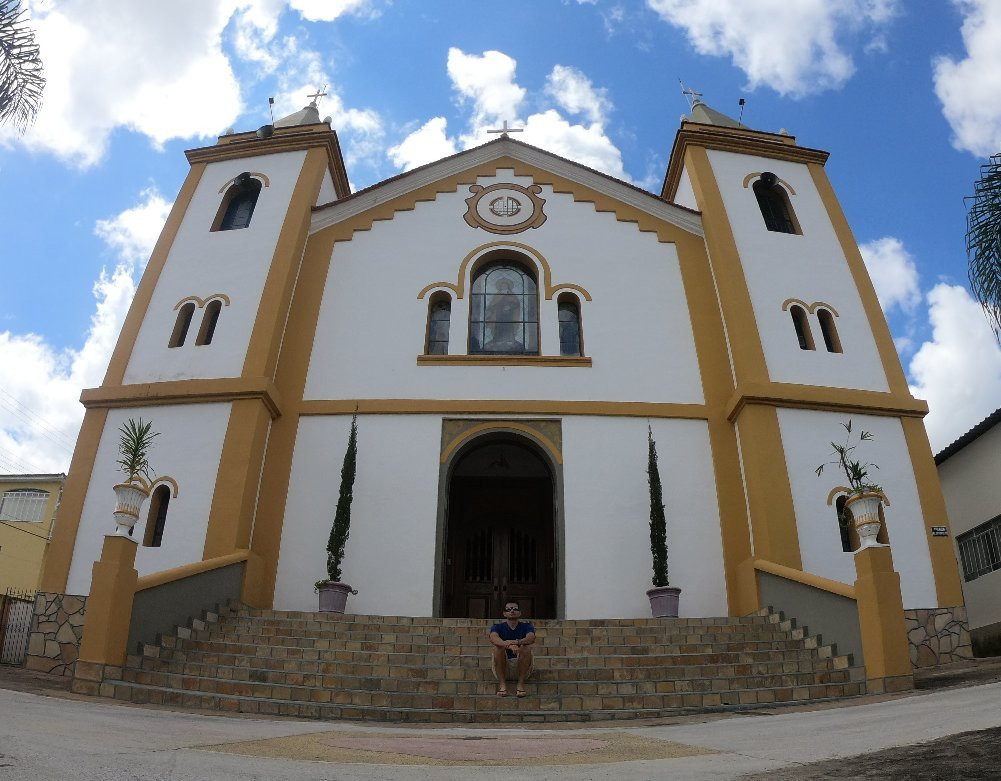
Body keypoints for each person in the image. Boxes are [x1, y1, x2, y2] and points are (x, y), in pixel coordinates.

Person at [488, 601, 535, 697]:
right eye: (508, 609)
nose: (512, 611)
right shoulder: (497, 627)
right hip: (503, 667)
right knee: (498, 648)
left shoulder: (527, 626)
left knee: (526, 648)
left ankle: (520, 684)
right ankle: (502, 684)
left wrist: (517, 642)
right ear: (504, 613)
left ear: (520, 613)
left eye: (515, 609)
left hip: (522, 666)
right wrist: (508, 645)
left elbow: (531, 638)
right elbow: (493, 638)